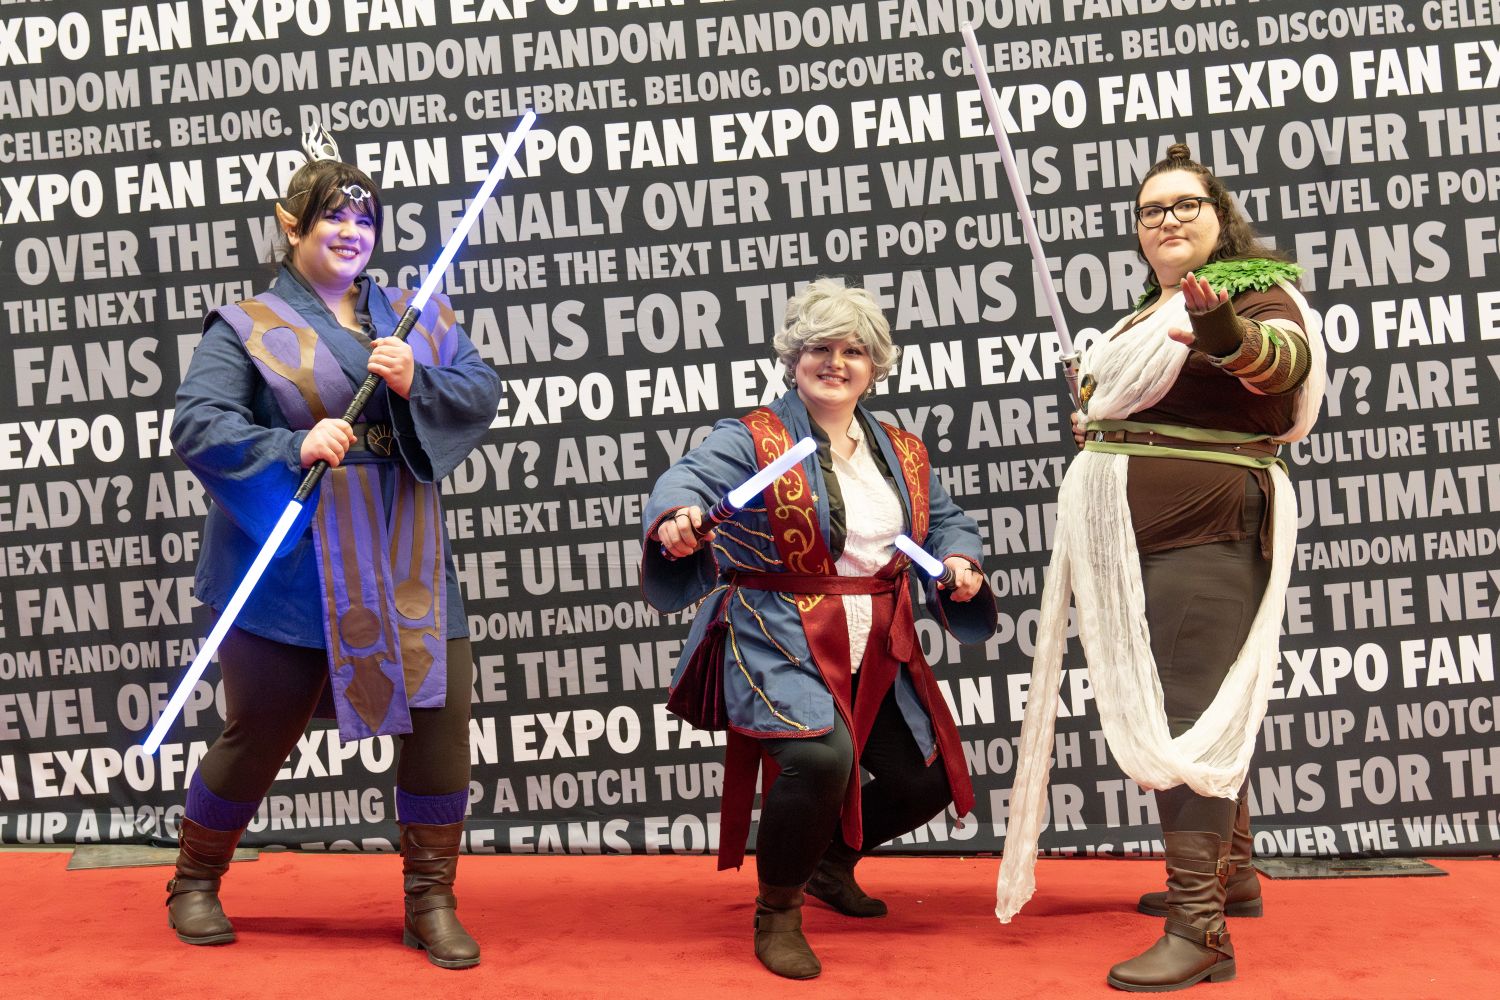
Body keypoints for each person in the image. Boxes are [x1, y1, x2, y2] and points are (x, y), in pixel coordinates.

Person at [993, 144, 1326, 992]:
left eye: (1184, 205)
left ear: (1222, 220)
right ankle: (1233, 876)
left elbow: (1279, 363)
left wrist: (1219, 326)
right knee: (1202, 702)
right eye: (1152, 211)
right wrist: (1101, 411)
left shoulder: (1254, 291)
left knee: (1185, 718)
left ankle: (1200, 930)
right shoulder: (1149, 314)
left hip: (1206, 527)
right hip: (1142, 535)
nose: (1167, 220)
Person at [164, 133, 501, 970]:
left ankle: (430, 900)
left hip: (406, 553)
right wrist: (293, 444)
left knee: (439, 722)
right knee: (263, 727)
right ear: (290, 224)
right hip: (292, 559)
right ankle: (195, 880)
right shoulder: (247, 325)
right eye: (332, 218)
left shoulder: (416, 316)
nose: (351, 232)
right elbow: (199, 422)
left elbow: (482, 389)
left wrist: (412, 381)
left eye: (364, 219)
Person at [642, 279, 998, 980]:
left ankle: (829, 866)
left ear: (875, 366)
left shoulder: (900, 448)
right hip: (779, 630)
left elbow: (944, 519)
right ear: (794, 358)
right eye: (820, 349)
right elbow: (687, 481)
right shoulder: (752, 438)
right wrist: (676, 519)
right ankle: (777, 910)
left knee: (924, 782)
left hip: (876, 636)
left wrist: (959, 558)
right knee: (821, 759)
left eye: (854, 351)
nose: (836, 363)